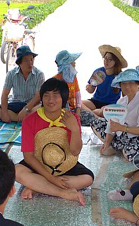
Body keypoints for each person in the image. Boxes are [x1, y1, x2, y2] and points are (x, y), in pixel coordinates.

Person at [15, 78, 94, 206]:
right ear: (41, 98)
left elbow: (75, 151)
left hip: (64, 163)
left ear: (63, 98)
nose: (50, 100)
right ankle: (62, 192)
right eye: (46, 95)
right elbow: (28, 157)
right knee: (16, 171)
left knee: (88, 178)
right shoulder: (30, 120)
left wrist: (74, 129)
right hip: (38, 162)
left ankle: (37, 186)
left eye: (55, 95)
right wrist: (52, 179)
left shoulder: (72, 118)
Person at [91, 69, 139, 160]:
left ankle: (120, 148)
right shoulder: (121, 101)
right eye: (124, 84)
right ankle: (116, 146)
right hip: (124, 134)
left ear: (138, 84)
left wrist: (121, 128)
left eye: (131, 83)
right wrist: (106, 144)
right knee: (96, 123)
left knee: (129, 153)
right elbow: (112, 124)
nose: (127, 87)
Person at [0, 45, 45, 123]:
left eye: (31, 59)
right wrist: (4, 113)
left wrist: (26, 109)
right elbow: (4, 94)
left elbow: (38, 96)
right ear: (19, 63)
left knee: (42, 108)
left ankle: (18, 117)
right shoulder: (11, 74)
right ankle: (23, 118)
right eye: (26, 61)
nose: (30, 63)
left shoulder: (39, 74)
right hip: (16, 103)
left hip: (32, 105)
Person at [81, 45, 127, 118]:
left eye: (110, 59)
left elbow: (125, 96)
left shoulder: (120, 76)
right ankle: (95, 115)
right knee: (78, 103)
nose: (106, 61)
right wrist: (89, 88)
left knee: (104, 111)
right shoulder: (98, 72)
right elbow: (91, 90)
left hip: (111, 105)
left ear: (116, 62)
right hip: (95, 102)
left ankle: (92, 114)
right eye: (105, 58)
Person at [53, 50, 82, 117]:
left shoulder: (73, 78)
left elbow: (78, 95)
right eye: (72, 62)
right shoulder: (55, 80)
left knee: (91, 117)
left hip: (74, 109)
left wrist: (78, 111)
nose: (75, 63)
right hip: (61, 112)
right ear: (66, 66)